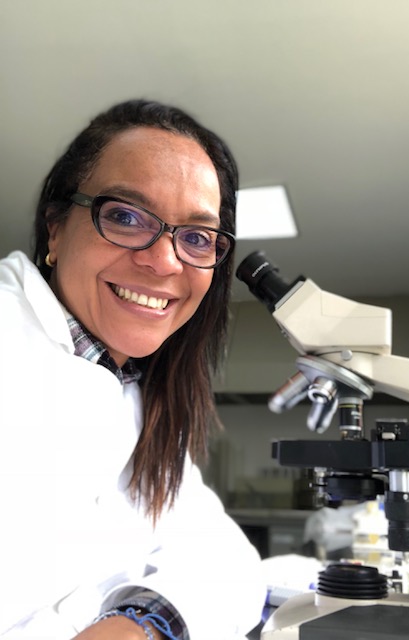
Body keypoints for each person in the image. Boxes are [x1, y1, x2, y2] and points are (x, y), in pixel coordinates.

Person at [0, 100, 265, 639]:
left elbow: (225, 557)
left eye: (196, 237)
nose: (165, 261)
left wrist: (144, 621)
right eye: (125, 216)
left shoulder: (138, 395)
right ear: (55, 229)